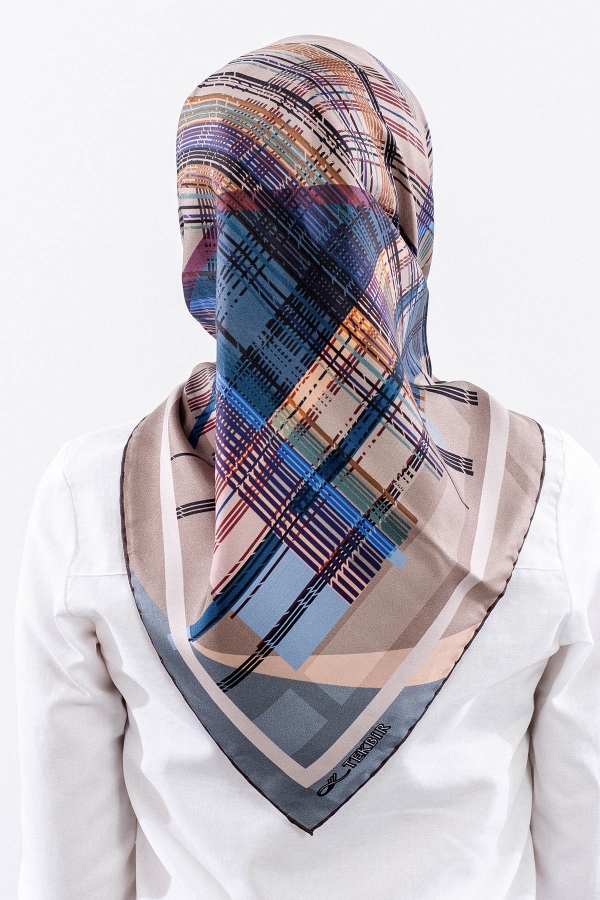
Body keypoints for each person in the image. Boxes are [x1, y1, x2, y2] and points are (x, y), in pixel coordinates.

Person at [14, 33, 600, 900]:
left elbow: (69, 879)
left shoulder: (93, 497)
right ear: (407, 212)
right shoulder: (549, 489)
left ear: (203, 232)